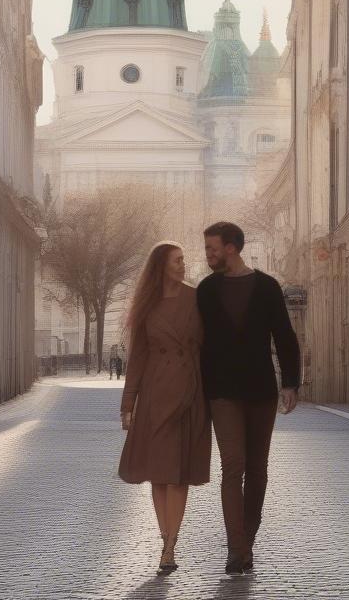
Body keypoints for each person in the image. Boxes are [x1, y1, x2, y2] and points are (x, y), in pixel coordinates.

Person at [197, 221, 300, 575]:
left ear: (231, 248)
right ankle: (235, 548)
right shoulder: (206, 290)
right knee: (233, 465)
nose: (207, 254)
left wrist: (291, 383)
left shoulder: (267, 286)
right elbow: (197, 342)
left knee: (258, 470)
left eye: (212, 248)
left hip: (260, 390)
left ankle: (246, 543)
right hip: (222, 391)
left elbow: (284, 336)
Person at [118, 242, 211, 574]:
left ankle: (170, 545)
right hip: (155, 394)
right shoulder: (146, 305)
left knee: (179, 474)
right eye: (177, 261)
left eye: (184, 260)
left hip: (189, 392)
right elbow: (138, 358)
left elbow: (210, 346)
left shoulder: (196, 298)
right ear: (161, 266)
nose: (183, 265)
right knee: (159, 474)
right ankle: (166, 539)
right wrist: (127, 404)